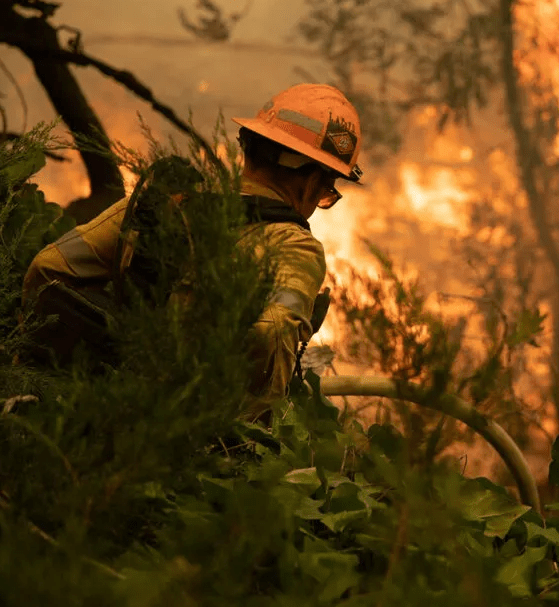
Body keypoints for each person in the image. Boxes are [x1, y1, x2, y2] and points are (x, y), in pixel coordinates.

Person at [22, 83, 364, 420]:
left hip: (93, 411)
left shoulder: (161, 204)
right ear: (309, 180)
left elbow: (48, 267)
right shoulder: (294, 246)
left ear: (251, 146)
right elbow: (270, 334)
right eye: (326, 191)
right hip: (200, 445)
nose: (317, 204)